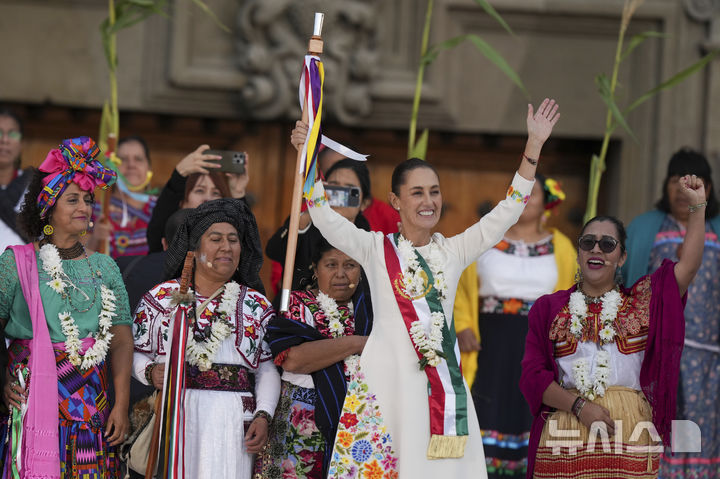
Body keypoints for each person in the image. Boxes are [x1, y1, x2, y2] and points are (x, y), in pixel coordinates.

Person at [291, 99, 560, 477]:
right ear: (396, 201)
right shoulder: (373, 248)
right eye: (417, 193)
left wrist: (533, 146)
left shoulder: (454, 251)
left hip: (441, 393)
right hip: (386, 386)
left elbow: (508, 211)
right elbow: (320, 212)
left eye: (434, 192)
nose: (428, 201)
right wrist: (306, 156)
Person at [520, 175, 706, 479]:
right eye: (587, 243)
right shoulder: (549, 308)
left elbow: (688, 267)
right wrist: (580, 407)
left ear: (622, 258)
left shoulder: (644, 300)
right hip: (566, 431)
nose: (597, 250)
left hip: (630, 434)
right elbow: (533, 378)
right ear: (579, 253)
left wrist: (697, 208)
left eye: (608, 244)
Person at [0, 136, 133, 477]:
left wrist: (120, 404)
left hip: (93, 404)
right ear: (47, 208)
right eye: (72, 199)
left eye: (88, 200)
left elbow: (120, 341)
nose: (84, 207)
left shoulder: (106, 267)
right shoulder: (17, 262)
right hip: (31, 401)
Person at [132, 198, 280, 478]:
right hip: (178, 416)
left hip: (235, 424)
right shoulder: (162, 298)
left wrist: (263, 414)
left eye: (233, 240)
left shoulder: (256, 306)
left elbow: (266, 368)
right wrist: (149, 371)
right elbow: (135, 352)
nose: (226, 247)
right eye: (216, 239)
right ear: (195, 247)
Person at [453, 174, 577, 477]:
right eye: (520, 192)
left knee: (530, 409)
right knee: (486, 407)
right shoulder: (485, 237)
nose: (525, 199)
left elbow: (574, 296)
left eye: (532, 193)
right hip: (488, 344)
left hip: (537, 344)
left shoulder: (561, 247)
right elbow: (457, 284)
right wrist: (462, 325)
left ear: (547, 202)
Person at [621, 149, 720, 478]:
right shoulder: (646, 227)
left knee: (700, 429)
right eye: (678, 181)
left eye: (695, 182)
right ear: (665, 185)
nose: (684, 189)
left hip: (709, 357)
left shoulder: (716, 229)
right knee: (655, 426)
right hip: (655, 352)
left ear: (708, 188)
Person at [256, 239, 373, 478]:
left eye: (350, 265)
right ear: (315, 268)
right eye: (331, 265)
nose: (341, 274)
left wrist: (327, 350)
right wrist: (357, 343)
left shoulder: (371, 310)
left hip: (359, 421)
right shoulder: (297, 304)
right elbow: (294, 360)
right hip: (303, 420)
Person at [266, 159, 372, 293]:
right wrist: (312, 210)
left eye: (349, 191)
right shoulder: (305, 221)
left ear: (364, 203)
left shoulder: (369, 241)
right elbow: (273, 251)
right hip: (299, 309)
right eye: (334, 187)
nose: (339, 196)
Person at [146, 145, 250, 253]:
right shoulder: (171, 242)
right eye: (200, 190)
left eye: (215, 193)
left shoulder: (227, 243)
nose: (208, 198)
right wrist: (179, 174)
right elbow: (156, 237)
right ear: (182, 202)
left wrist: (238, 193)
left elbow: (248, 250)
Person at [88, 136, 157, 258]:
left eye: (138, 159)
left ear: (149, 168)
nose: (131, 165)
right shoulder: (93, 210)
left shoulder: (162, 208)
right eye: (122, 160)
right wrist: (95, 238)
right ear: (111, 168)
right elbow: (79, 262)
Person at [0, 107, 32, 250]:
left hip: (23, 271)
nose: (4, 140)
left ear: (21, 144)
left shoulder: (35, 187)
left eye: (12, 134)